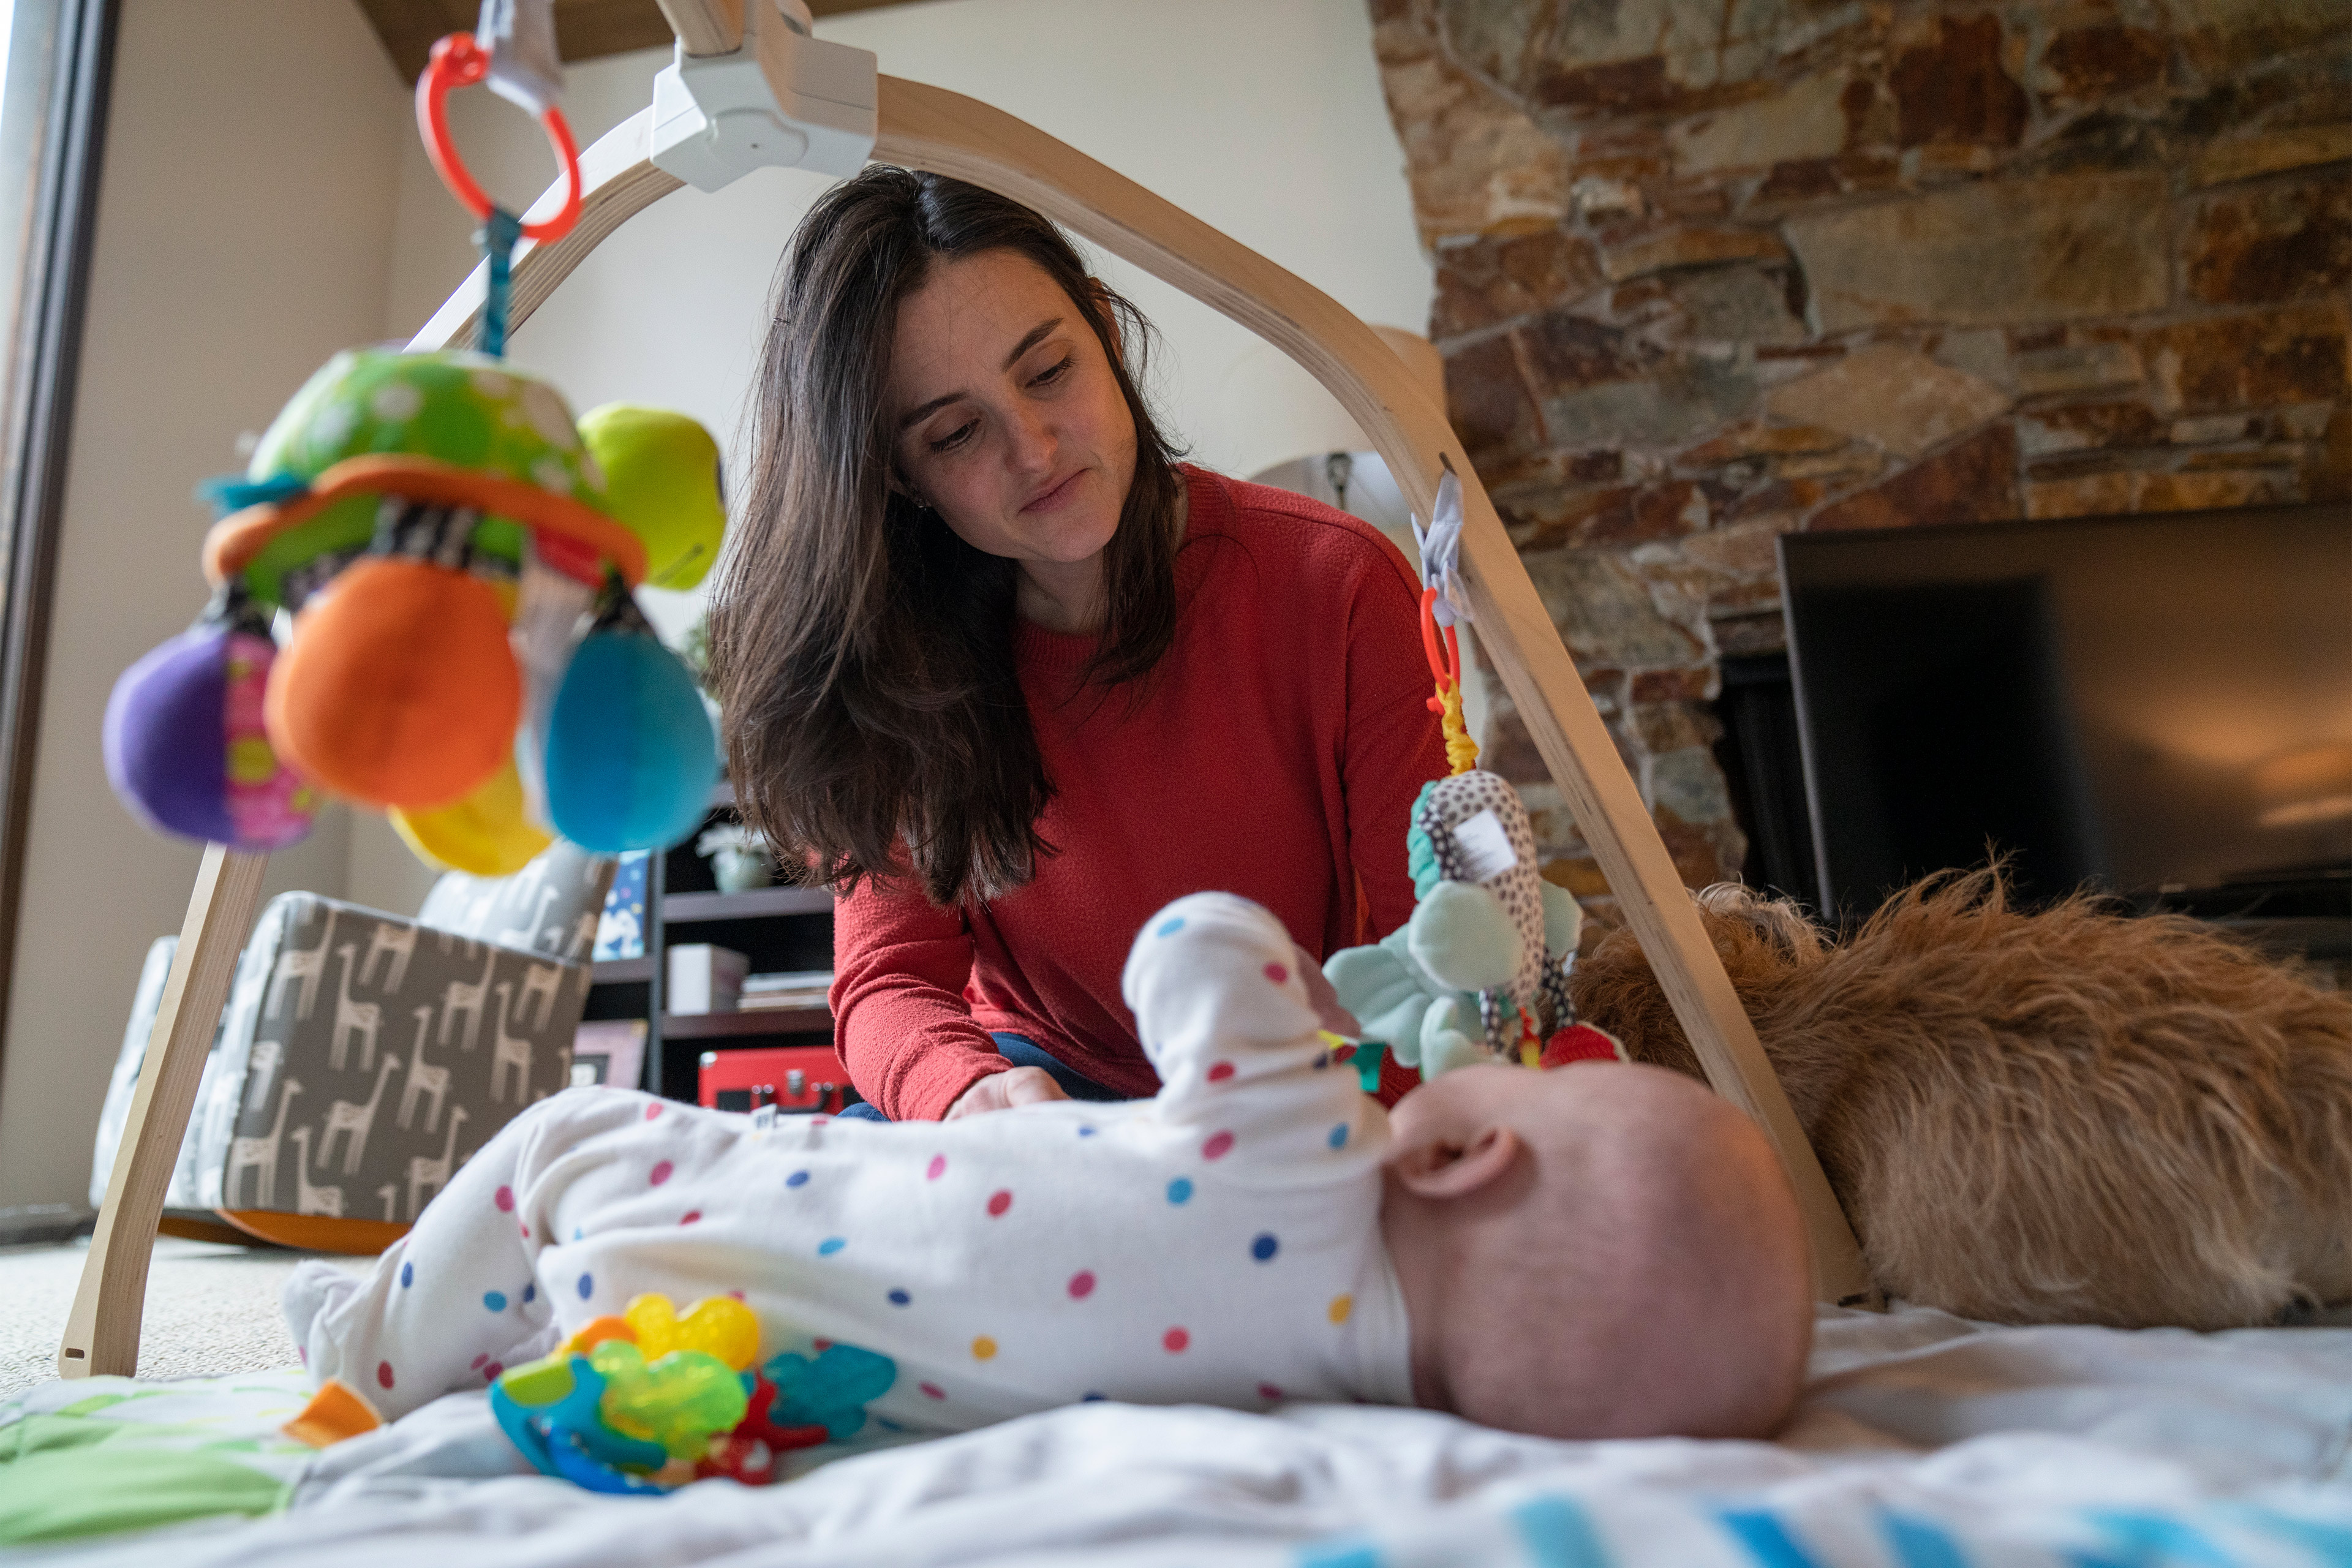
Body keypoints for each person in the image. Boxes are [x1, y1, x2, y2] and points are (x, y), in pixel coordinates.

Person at [285, 893, 1815, 1444]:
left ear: (1472, 1149)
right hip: (743, 1349)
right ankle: (504, 1352)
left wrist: (1320, 1013)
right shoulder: (1337, 1390)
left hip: (723, 1198)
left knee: (560, 1142)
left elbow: (1189, 943)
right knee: (578, 1287)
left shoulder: (1317, 1154)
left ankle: (364, 1361)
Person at [704, 168, 1447, 1121]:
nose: (1035, 450)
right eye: (958, 432)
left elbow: (1431, 969)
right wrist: (965, 1093)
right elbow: (890, 981)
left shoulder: (1340, 580)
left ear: (1103, 327)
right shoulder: (898, 660)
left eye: (1050, 371)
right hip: (1044, 1092)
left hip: (1300, 1086)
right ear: (900, 477)